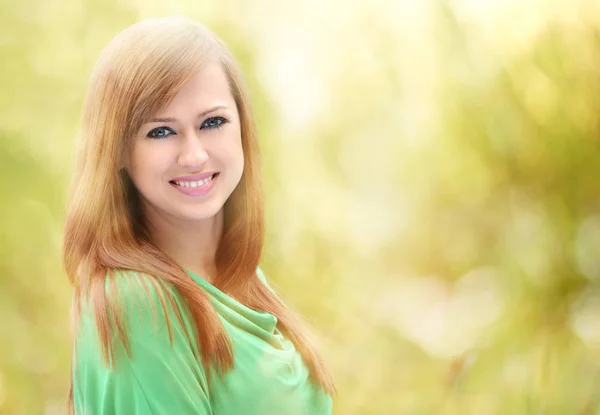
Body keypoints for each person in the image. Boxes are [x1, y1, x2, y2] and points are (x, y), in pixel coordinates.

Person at [63, 16, 335, 414]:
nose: (194, 155)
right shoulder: (139, 303)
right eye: (160, 131)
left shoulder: (238, 274)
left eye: (213, 122)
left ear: (242, 127)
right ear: (118, 150)